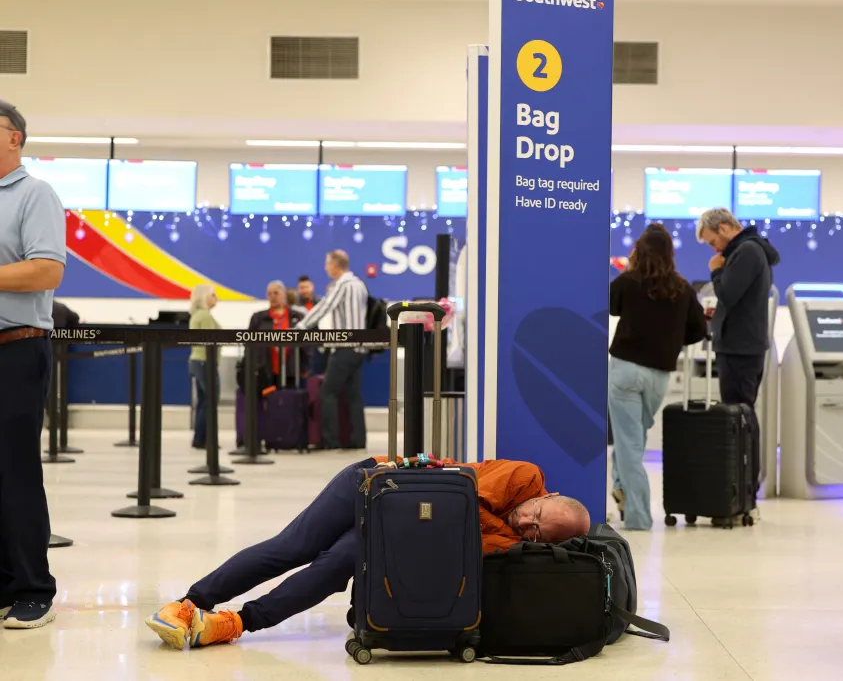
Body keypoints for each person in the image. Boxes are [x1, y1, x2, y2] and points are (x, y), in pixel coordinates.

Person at [145, 457, 591, 649]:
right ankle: (189, 604)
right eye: (536, 514)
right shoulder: (525, 478)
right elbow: (457, 497)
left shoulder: (517, 542)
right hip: (376, 478)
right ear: (547, 495)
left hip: (397, 526)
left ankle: (233, 623)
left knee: (336, 567)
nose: (526, 524)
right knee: (293, 546)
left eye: (538, 535)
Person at [0, 100, 67, 629]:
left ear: (14, 138)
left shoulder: (34, 194)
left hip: (16, 349)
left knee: (16, 471)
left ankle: (32, 587)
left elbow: (46, 271)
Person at [608, 224, 706, 530]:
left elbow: (609, 307)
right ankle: (623, 491)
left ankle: (637, 516)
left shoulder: (626, 282)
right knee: (632, 442)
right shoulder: (682, 288)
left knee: (629, 445)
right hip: (659, 376)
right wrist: (672, 337)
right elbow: (699, 330)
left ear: (639, 250)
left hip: (624, 370)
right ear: (670, 254)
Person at [695, 207, 780, 520]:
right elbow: (735, 302)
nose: (714, 249)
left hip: (740, 350)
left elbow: (728, 293)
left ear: (725, 227)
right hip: (742, 346)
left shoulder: (745, 251)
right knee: (741, 416)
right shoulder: (751, 251)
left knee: (740, 418)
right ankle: (742, 492)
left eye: (712, 241)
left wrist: (716, 270)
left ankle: (745, 493)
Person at [295, 251, 368, 451]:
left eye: (327, 264)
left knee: (327, 392)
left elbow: (323, 307)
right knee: (354, 395)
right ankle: (358, 440)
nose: (326, 268)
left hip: (344, 348)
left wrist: (299, 329)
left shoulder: (342, 285)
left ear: (336, 265)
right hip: (360, 348)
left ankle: (330, 440)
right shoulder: (359, 284)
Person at [238, 280, 308, 392]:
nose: (272, 296)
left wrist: (305, 365)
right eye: (269, 294)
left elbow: (305, 344)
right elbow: (248, 343)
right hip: (264, 369)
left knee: (289, 401)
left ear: (284, 294)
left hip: (291, 369)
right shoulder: (258, 318)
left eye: (276, 293)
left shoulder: (297, 317)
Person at [188, 284, 220, 450]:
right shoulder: (205, 316)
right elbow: (210, 341)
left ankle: (199, 438)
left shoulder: (196, 315)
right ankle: (204, 439)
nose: (217, 298)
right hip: (205, 361)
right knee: (210, 400)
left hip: (197, 361)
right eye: (213, 295)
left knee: (203, 401)